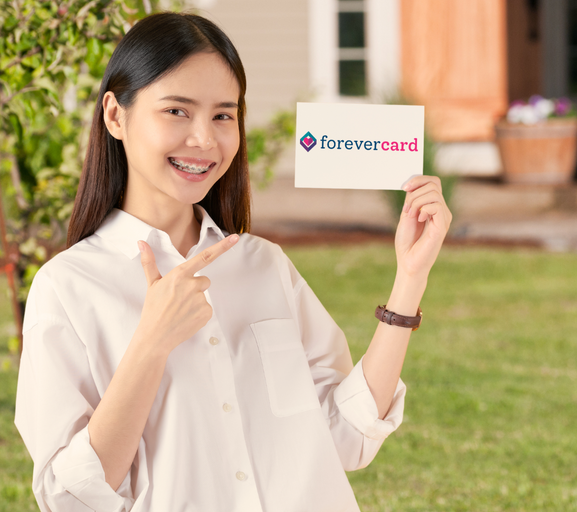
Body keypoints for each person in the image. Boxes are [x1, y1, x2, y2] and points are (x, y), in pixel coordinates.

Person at [14, 12, 451, 512]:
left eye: (223, 115)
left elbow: (346, 435)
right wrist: (151, 344)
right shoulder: (68, 287)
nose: (204, 139)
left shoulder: (265, 265)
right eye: (177, 111)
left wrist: (410, 278)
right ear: (116, 115)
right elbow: (70, 496)